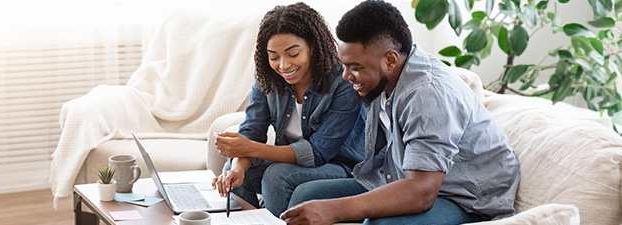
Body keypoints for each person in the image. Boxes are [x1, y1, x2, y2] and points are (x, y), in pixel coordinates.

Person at [279, 1, 521, 224]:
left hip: (466, 199)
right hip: (400, 179)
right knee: (305, 194)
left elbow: (421, 192)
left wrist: (333, 210)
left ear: (390, 60)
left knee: (380, 224)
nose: (345, 76)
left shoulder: (427, 94)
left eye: (355, 67)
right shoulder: (382, 77)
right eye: (344, 65)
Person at [211, 2, 365, 217]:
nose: (283, 65)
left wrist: (250, 148)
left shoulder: (343, 81)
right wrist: (237, 167)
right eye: (274, 57)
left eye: (293, 54)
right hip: (296, 165)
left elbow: (319, 152)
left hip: (342, 167)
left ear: (313, 46)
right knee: (232, 171)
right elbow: (252, 132)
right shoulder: (268, 81)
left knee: (277, 176)